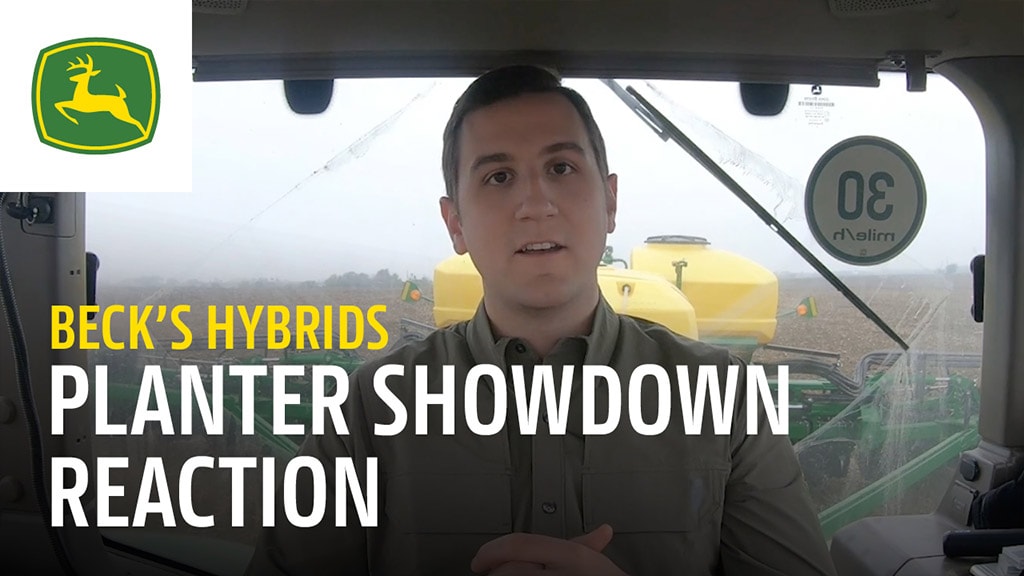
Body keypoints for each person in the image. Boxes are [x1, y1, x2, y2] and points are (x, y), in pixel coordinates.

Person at [244, 64, 837, 576]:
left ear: (609, 201)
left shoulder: (724, 399)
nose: (536, 205)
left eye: (561, 169)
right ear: (456, 224)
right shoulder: (370, 412)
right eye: (498, 177)